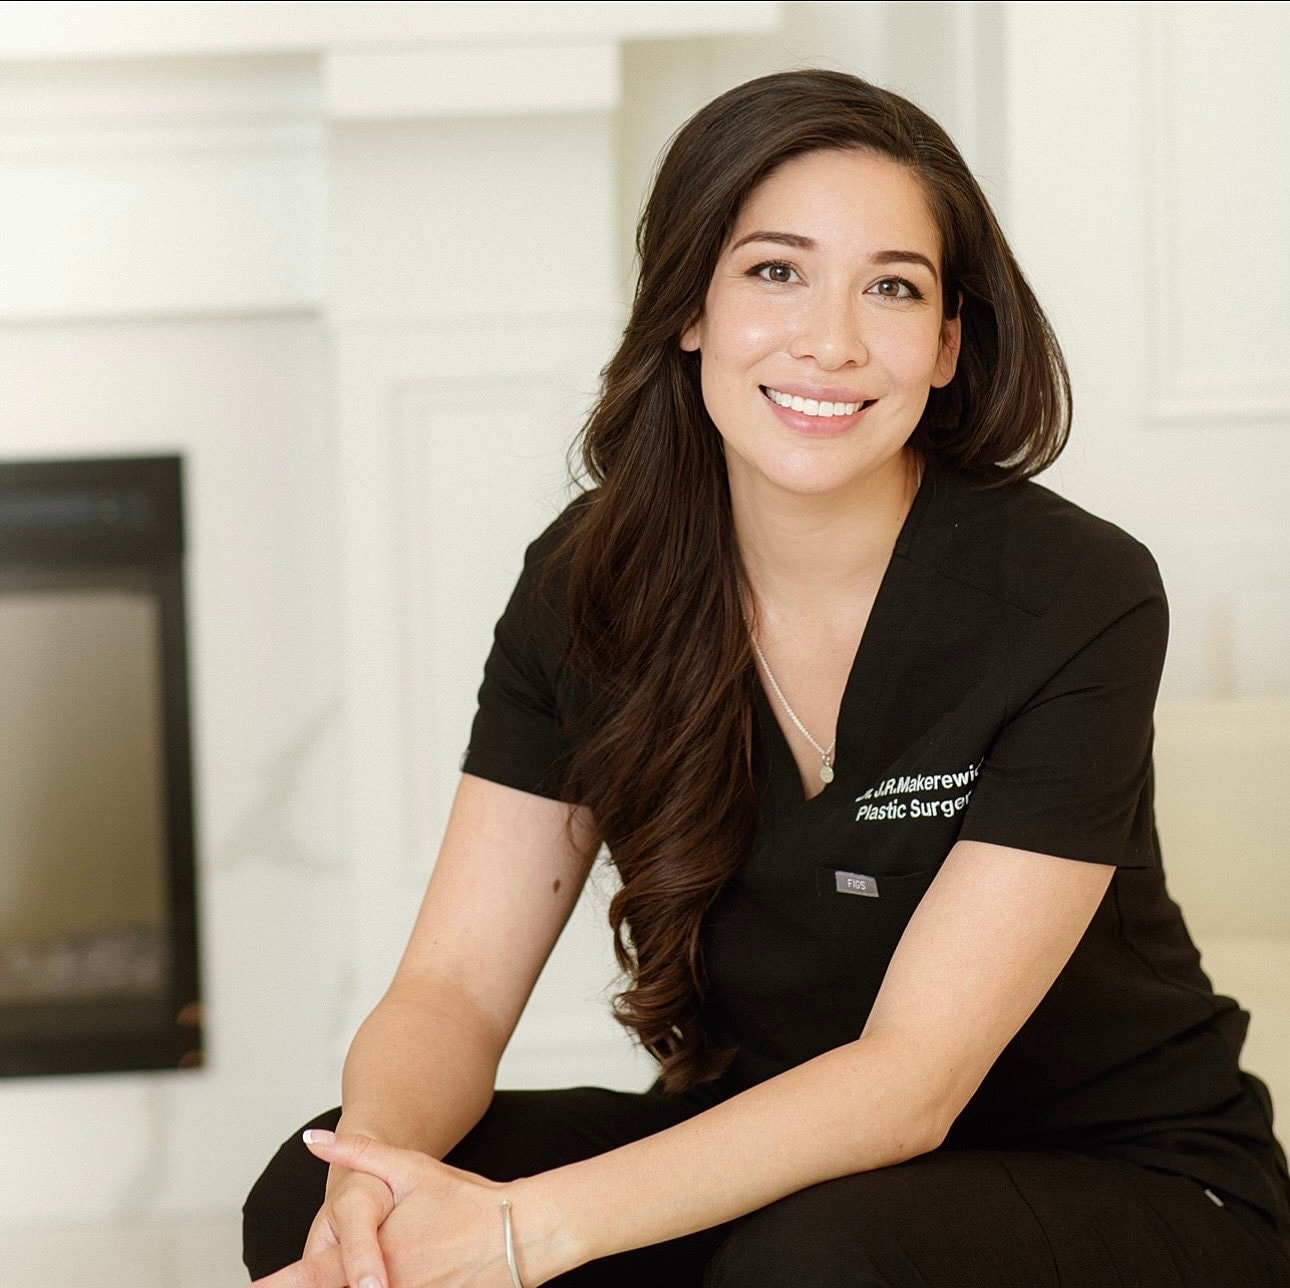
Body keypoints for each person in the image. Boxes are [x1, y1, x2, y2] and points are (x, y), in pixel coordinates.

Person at [242, 69, 1290, 1287]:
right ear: (690, 305)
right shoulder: (587, 584)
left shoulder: (1074, 593)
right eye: (776, 271)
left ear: (948, 344)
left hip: (1124, 1178)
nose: (830, 340)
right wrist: (372, 1188)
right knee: (308, 1196)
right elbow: (455, 991)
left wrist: (523, 1234)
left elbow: (911, 1080)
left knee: (810, 1263)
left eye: (891, 287)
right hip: (793, 1165)